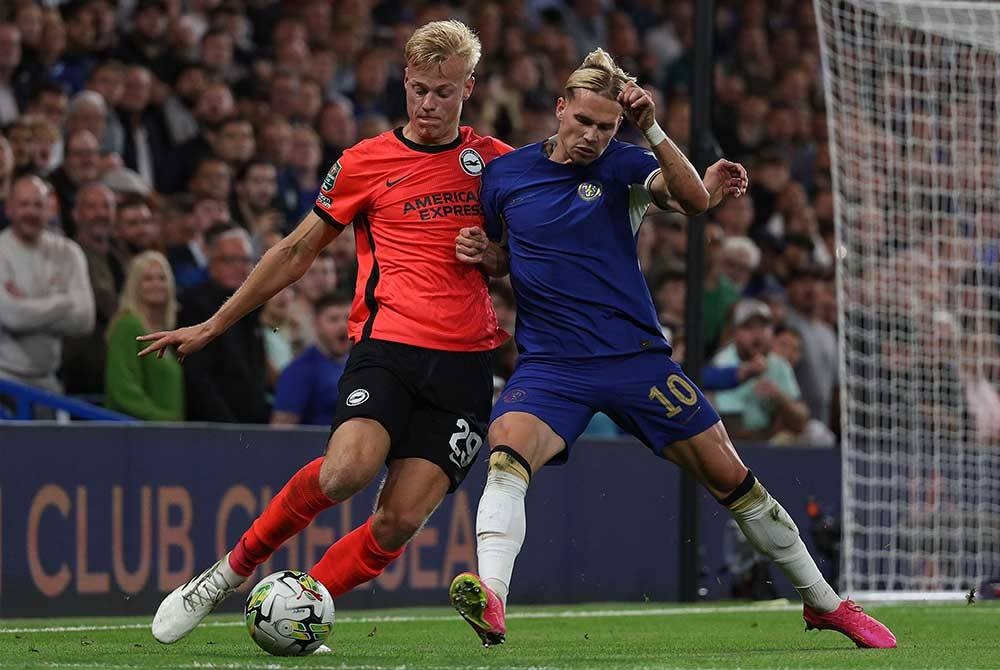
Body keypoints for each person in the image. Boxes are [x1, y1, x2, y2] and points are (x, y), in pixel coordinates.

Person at [448, 49, 895, 650]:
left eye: (606, 127)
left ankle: (825, 603)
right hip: (553, 367)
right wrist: (489, 256)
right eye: (583, 122)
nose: (592, 137)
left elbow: (694, 201)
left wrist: (652, 129)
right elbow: (514, 255)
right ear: (560, 109)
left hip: (636, 361)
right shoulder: (505, 176)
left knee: (734, 479)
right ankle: (494, 598)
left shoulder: (624, 165)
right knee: (506, 457)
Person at [139, 20, 510, 649]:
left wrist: (495, 258)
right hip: (388, 347)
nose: (427, 104)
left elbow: (529, 255)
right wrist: (216, 322)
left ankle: (301, 605)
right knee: (345, 473)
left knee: (395, 524)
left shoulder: (496, 165)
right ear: (404, 81)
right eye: (418, 89)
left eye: (443, 92)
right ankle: (228, 572)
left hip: (467, 365)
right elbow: (294, 252)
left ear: (468, 88)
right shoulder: (364, 162)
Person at [0, 176, 95, 395]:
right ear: (9, 209)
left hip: (49, 383)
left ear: (50, 209)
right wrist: (63, 302)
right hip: (3, 380)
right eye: (24, 204)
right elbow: (10, 316)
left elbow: (84, 320)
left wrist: (25, 305)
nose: (31, 212)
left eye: (38, 204)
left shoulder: (68, 252)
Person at [104, 251, 183, 420]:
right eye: (148, 279)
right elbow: (123, 389)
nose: (157, 284)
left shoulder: (164, 329)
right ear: (134, 285)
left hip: (165, 433)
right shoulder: (127, 325)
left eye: (162, 278)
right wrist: (164, 420)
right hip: (140, 435)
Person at [270, 289, 352, 426]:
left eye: (348, 318)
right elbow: (281, 433)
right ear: (317, 325)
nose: (343, 326)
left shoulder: (362, 366)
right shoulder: (298, 372)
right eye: (333, 319)